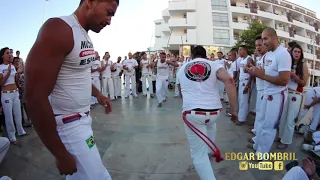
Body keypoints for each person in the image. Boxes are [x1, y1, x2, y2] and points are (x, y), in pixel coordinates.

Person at [24, 0, 118, 179]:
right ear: (90, 2)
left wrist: (98, 95)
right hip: (69, 126)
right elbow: (34, 97)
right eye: (109, 12)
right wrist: (59, 153)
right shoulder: (59, 29)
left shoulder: (84, 35)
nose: (109, 21)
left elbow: (78, 75)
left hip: (83, 120)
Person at [176, 46, 238, 180]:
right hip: (214, 112)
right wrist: (234, 110)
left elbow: (181, 92)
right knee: (209, 124)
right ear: (205, 56)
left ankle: (205, 160)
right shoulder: (214, 65)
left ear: (192, 56)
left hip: (193, 113)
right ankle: (209, 152)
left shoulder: (182, 69)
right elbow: (230, 80)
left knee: (198, 155)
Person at [247, 27, 291, 157]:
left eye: (265, 39)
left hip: (277, 95)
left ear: (274, 38)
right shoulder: (269, 54)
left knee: (269, 126)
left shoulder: (283, 54)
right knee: (261, 121)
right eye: (262, 39)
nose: (263, 42)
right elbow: (264, 72)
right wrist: (255, 70)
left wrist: (261, 75)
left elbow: (284, 80)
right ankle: (257, 146)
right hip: (266, 92)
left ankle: (261, 154)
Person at [277, 44, 309, 149]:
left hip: (296, 94)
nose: (297, 54)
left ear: (301, 54)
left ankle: (286, 141)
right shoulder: (288, 62)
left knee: (290, 119)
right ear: (291, 52)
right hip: (285, 92)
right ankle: (281, 136)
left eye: (299, 52)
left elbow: (303, 83)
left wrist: (294, 76)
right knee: (282, 117)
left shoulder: (303, 65)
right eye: (295, 51)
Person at [0, 47, 26, 145]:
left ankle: (20, 131)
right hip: (6, 95)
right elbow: (1, 83)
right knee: (9, 116)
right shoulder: (1, 67)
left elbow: (16, 80)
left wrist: (17, 74)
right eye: (7, 53)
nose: (10, 54)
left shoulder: (13, 66)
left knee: (18, 113)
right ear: (2, 55)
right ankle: (12, 136)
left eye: (10, 53)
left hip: (15, 92)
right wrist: (8, 73)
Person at [248, 35, 268, 135]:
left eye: (260, 45)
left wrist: (253, 70)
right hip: (260, 88)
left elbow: (264, 73)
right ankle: (256, 133)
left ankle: (258, 136)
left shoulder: (268, 57)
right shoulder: (260, 58)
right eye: (256, 46)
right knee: (259, 112)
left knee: (262, 115)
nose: (258, 48)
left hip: (265, 89)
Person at [235, 45, 254, 125]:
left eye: (240, 50)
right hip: (241, 81)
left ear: (245, 50)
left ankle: (242, 119)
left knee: (244, 100)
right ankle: (241, 115)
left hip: (246, 81)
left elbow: (251, 73)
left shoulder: (249, 59)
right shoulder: (241, 59)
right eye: (239, 50)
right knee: (240, 99)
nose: (239, 52)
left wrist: (248, 85)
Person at [225, 49, 239, 117]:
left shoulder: (235, 63)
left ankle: (233, 111)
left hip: (233, 82)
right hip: (230, 82)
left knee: (233, 97)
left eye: (230, 55)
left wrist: (232, 83)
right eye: (228, 55)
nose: (229, 57)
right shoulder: (233, 63)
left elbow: (236, 75)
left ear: (234, 55)